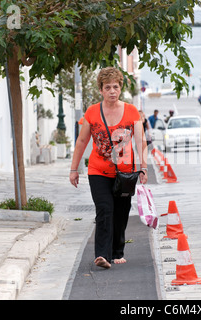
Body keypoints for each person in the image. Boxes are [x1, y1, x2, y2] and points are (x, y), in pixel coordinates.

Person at [69, 67, 148, 269]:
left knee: (121, 212)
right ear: (101, 90)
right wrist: (74, 168)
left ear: (120, 88)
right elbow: (82, 140)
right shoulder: (92, 112)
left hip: (125, 173)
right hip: (98, 170)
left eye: (115, 86)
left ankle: (117, 251)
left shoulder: (131, 111)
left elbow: (141, 141)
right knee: (105, 209)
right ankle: (102, 255)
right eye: (107, 87)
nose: (112, 91)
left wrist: (144, 167)